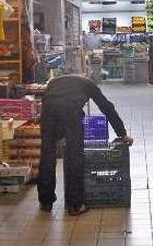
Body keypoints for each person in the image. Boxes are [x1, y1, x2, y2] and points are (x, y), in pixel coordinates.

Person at [38, 74, 133, 215]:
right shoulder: (88, 84)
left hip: (47, 110)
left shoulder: (55, 81)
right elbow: (106, 107)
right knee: (74, 156)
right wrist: (122, 133)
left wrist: (58, 135)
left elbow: (54, 104)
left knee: (47, 155)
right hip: (70, 111)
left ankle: (45, 201)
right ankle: (75, 205)